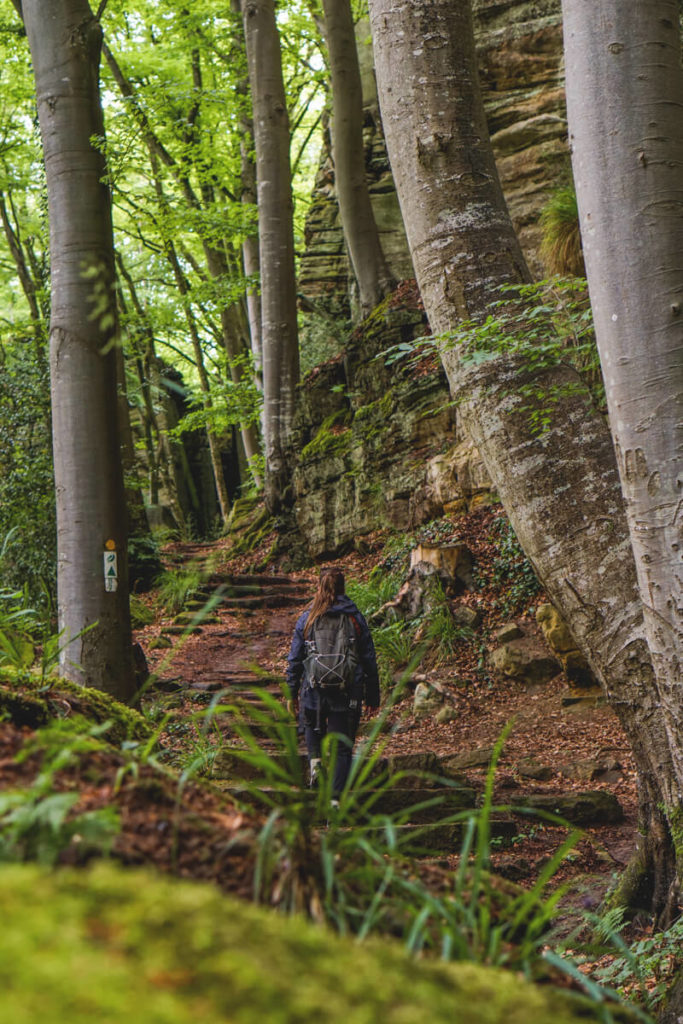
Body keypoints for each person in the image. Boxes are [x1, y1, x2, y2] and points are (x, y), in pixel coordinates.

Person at [286, 566, 380, 798]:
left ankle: (316, 764)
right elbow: (368, 658)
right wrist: (372, 696)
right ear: (343, 588)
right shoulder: (354, 618)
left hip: (313, 689)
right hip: (348, 692)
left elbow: (295, 659)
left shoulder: (307, 619)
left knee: (309, 724)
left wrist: (291, 692)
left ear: (319, 587)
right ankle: (336, 803)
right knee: (342, 750)